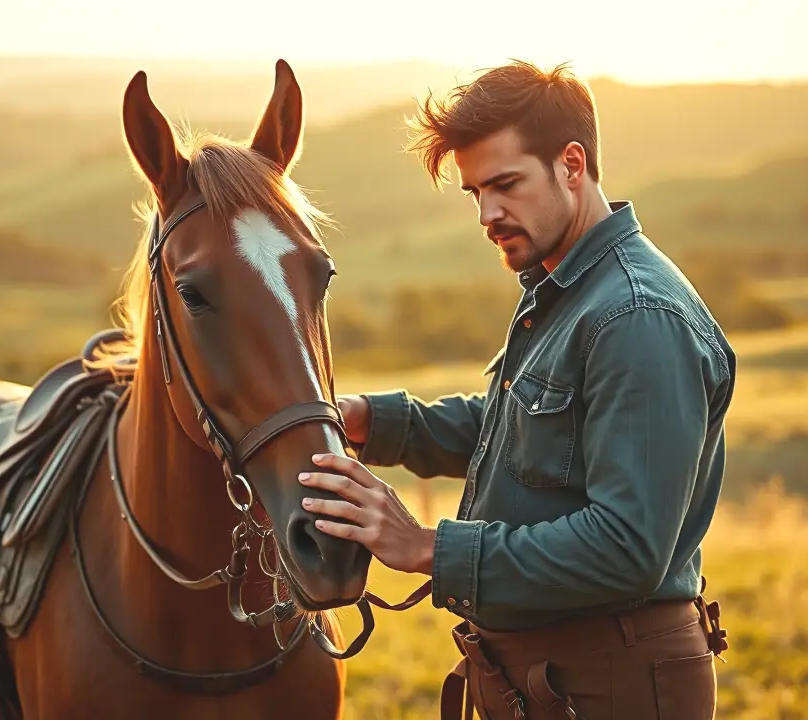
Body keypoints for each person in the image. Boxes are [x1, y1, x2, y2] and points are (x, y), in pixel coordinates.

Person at [298, 60, 735, 719]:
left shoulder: (635, 317)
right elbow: (519, 430)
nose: (488, 214)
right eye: (475, 192)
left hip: (610, 683)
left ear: (571, 163)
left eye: (505, 185)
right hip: (546, 680)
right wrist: (371, 422)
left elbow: (627, 548)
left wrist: (426, 547)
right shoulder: (563, 289)